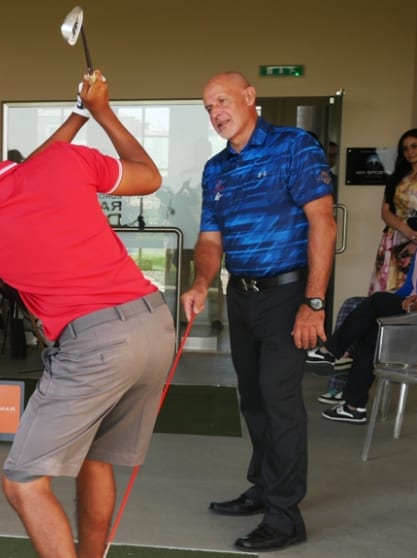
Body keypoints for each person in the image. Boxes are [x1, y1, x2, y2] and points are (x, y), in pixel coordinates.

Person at [0, 70, 174, 558]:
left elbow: (22, 174)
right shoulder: (67, 163)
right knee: (97, 461)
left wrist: (78, 115)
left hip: (95, 348)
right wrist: (96, 112)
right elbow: (146, 174)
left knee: (23, 482)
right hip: (155, 325)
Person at [181, 72, 336, 551]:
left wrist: (313, 303)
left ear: (251, 98)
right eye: (208, 107)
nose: (216, 113)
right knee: (252, 399)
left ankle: (286, 516)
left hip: (289, 295)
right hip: (243, 298)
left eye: (222, 101)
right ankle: (266, 485)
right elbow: (210, 241)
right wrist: (202, 282)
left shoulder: (295, 147)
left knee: (280, 402)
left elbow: (323, 223)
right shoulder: (215, 169)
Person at [316, 262, 416, 423]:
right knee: (370, 335)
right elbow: (408, 289)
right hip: (410, 311)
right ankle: (353, 408)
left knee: (378, 301)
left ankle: (332, 352)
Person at [369, 128, 417, 293]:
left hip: (414, 240)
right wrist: (407, 231)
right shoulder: (397, 177)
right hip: (394, 236)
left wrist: (413, 239)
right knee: (385, 292)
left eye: (414, 146)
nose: (410, 152)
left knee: (409, 293)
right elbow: (385, 211)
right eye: (405, 148)